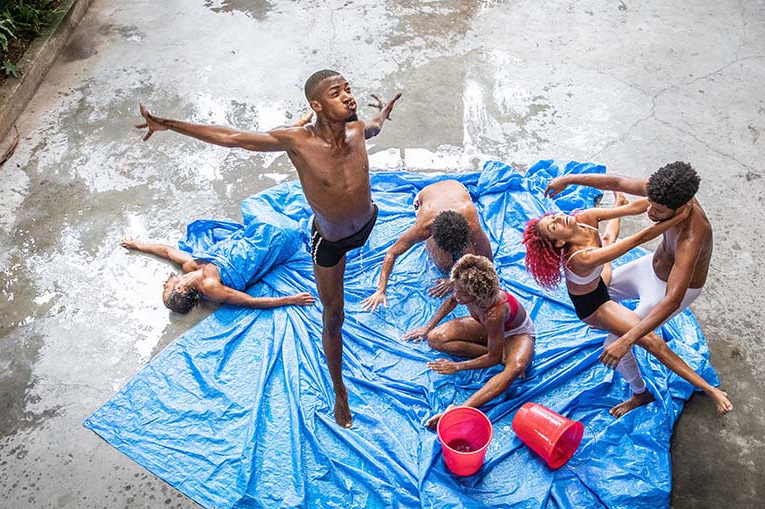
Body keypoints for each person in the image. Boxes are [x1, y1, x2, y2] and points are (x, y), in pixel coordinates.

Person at [136, 70, 401, 428]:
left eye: (348, 90)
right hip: (333, 242)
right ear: (316, 106)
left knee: (345, 282)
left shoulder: (356, 130)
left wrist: (384, 112)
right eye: (337, 93)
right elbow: (232, 138)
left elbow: (375, 126)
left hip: (367, 223)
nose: (348, 97)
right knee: (333, 316)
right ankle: (340, 390)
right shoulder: (298, 141)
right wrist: (168, 123)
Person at [543, 161, 730, 417]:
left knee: (615, 344)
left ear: (684, 206)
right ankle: (621, 325)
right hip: (648, 268)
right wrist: (569, 179)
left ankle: (640, 393)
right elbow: (618, 183)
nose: (650, 211)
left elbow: (672, 300)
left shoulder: (691, 237)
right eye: (650, 202)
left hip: (668, 291)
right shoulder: (663, 192)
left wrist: (626, 339)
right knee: (602, 289)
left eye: (659, 210)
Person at [403, 255, 535, 429]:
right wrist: (427, 328)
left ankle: (460, 409)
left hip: (516, 334)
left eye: (462, 293)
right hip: (489, 329)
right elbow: (452, 300)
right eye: (456, 289)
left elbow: (492, 359)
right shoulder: (463, 287)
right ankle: (505, 354)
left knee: (515, 368)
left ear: (477, 296)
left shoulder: (495, 312)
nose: (456, 295)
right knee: (435, 338)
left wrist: (458, 366)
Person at [360, 180, 493, 310]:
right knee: (444, 263)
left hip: (457, 188)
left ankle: (460, 249)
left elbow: (486, 258)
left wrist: (457, 281)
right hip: (424, 199)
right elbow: (392, 253)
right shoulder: (424, 226)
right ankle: (443, 250)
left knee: (470, 254)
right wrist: (381, 290)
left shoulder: (471, 220)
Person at [121, 238, 314, 312]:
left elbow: (166, 251)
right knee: (285, 234)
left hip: (241, 243)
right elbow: (250, 301)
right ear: (179, 289)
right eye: (166, 289)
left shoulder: (189, 268)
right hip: (255, 253)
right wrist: (291, 299)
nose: (164, 284)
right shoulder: (210, 288)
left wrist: (137, 245)